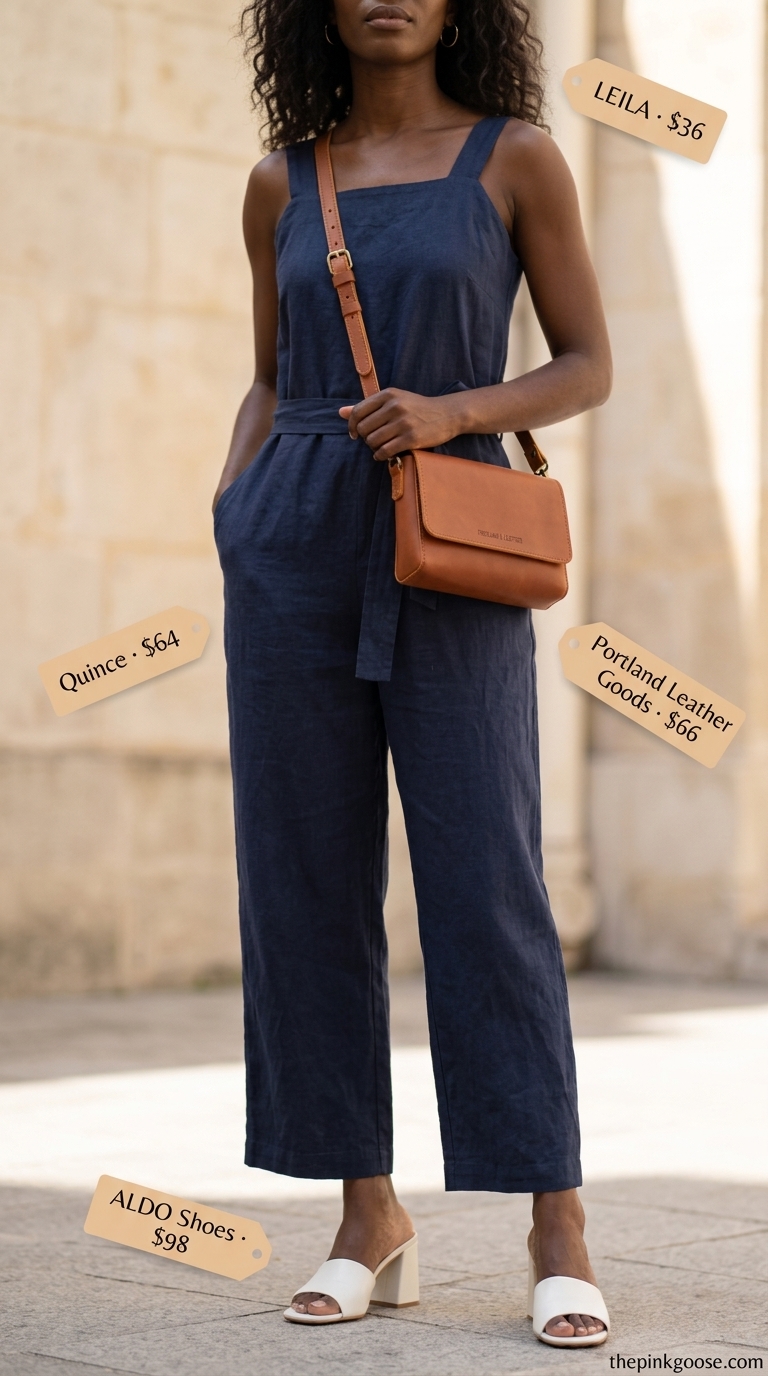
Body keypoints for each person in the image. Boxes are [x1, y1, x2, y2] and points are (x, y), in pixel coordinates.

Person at [213, 0, 612, 1347]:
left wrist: (459, 410)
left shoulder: (515, 158)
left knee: (486, 877)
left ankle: (555, 1222)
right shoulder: (283, 177)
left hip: (450, 536)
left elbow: (585, 362)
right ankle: (366, 1214)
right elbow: (269, 381)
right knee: (305, 879)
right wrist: (235, 508)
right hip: (291, 548)